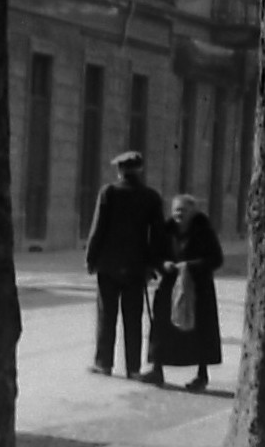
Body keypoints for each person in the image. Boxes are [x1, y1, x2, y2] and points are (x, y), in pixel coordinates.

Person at [84, 151, 167, 378]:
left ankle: (104, 363)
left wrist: (91, 258)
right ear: (140, 170)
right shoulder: (151, 196)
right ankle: (133, 367)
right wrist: (153, 264)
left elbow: (98, 228)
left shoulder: (109, 192)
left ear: (120, 170)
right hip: (136, 267)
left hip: (108, 265)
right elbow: (158, 235)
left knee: (106, 315)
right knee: (133, 317)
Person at [146, 193, 224, 393]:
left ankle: (201, 375)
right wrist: (164, 264)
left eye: (184, 210)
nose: (179, 214)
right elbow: (154, 254)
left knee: (200, 331)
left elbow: (216, 259)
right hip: (170, 285)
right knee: (162, 326)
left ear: (193, 212)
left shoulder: (204, 231)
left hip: (199, 289)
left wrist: (189, 266)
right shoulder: (166, 230)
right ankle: (157, 369)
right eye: (176, 210)